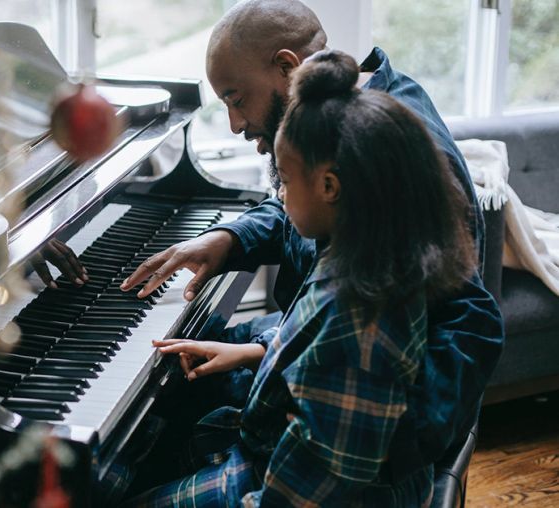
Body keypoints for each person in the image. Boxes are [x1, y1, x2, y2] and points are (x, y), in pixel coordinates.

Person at [119, 0, 503, 475]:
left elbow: (454, 325)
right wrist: (230, 239)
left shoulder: (387, 152)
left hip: (359, 410)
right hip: (307, 336)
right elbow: (295, 208)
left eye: (237, 99)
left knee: (162, 403)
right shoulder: (333, 124)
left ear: (286, 66)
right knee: (177, 363)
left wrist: (316, 428)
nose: (237, 124)